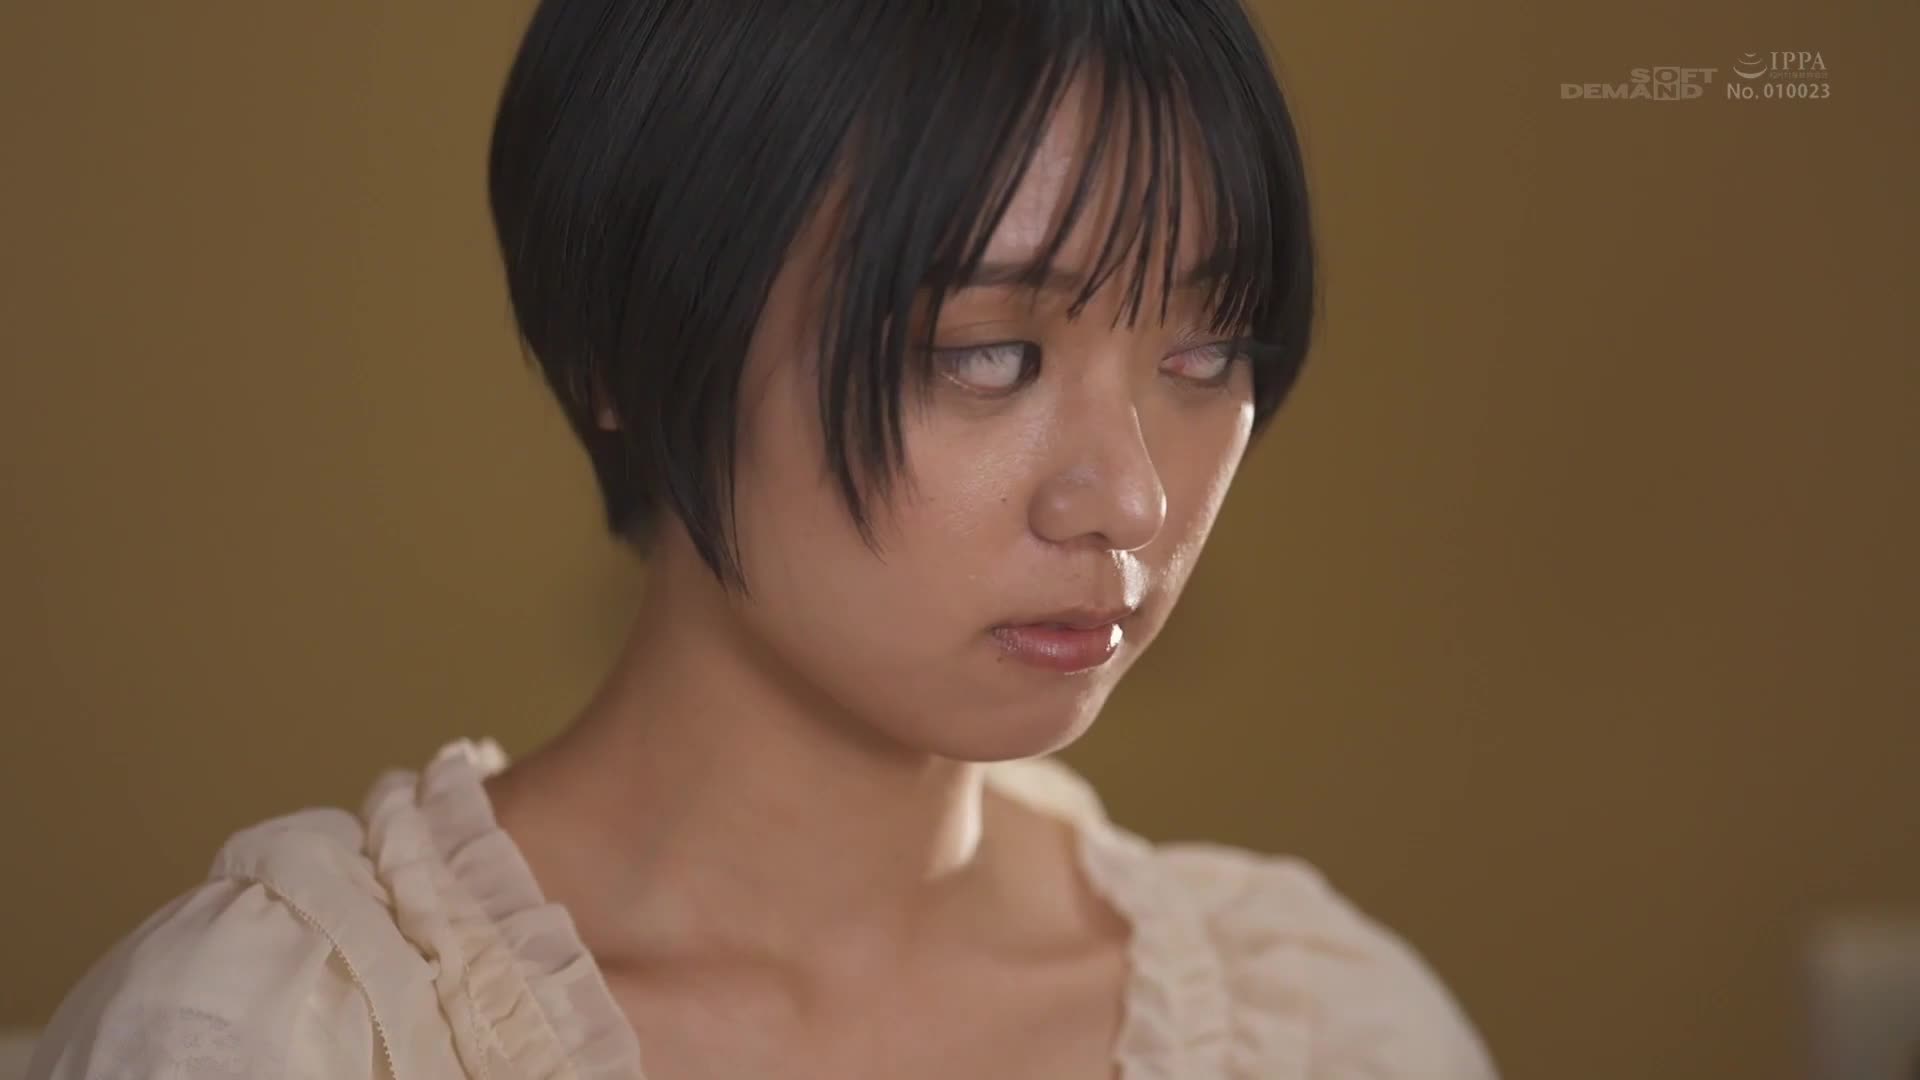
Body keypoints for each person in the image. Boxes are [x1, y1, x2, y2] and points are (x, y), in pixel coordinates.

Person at [28, 0, 1499, 1076]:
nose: (1128, 499)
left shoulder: (1326, 1034)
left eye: (1206, 353)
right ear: (628, 343)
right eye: (987, 354)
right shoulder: (292, 1035)